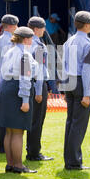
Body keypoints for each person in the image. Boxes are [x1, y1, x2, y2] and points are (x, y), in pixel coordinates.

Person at [0, 26, 38, 174]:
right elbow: (25, 78)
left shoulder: (9, 52)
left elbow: (0, 74)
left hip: (6, 89)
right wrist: (25, 100)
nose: (32, 41)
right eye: (31, 38)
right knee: (18, 132)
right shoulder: (24, 54)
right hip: (17, 90)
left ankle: (10, 164)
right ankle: (18, 165)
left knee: (9, 131)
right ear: (26, 39)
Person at [62, 11, 90, 170]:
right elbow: (88, 70)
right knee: (79, 124)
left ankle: (68, 159)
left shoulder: (68, 42)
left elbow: (63, 64)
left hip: (69, 81)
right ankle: (74, 161)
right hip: (81, 82)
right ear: (88, 24)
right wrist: (87, 94)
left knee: (70, 122)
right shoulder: (89, 43)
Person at [26, 16, 54, 162]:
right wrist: (38, 91)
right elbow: (39, 69)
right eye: (43, 27)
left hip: (29, 83)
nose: (44, 30)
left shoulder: (27, 43)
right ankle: (34, 152)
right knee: (37, 119)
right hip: (37, 84)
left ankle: (31, 148)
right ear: (36, 29)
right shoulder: (38, 46)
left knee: (32, 119)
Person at [0, 14, 19, 154]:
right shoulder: (12, 40)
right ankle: (4, 145)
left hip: (1, 80)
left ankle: (0, 144)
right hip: (10, 79)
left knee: (1, 113)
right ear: (12, 26)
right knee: (9, 114)